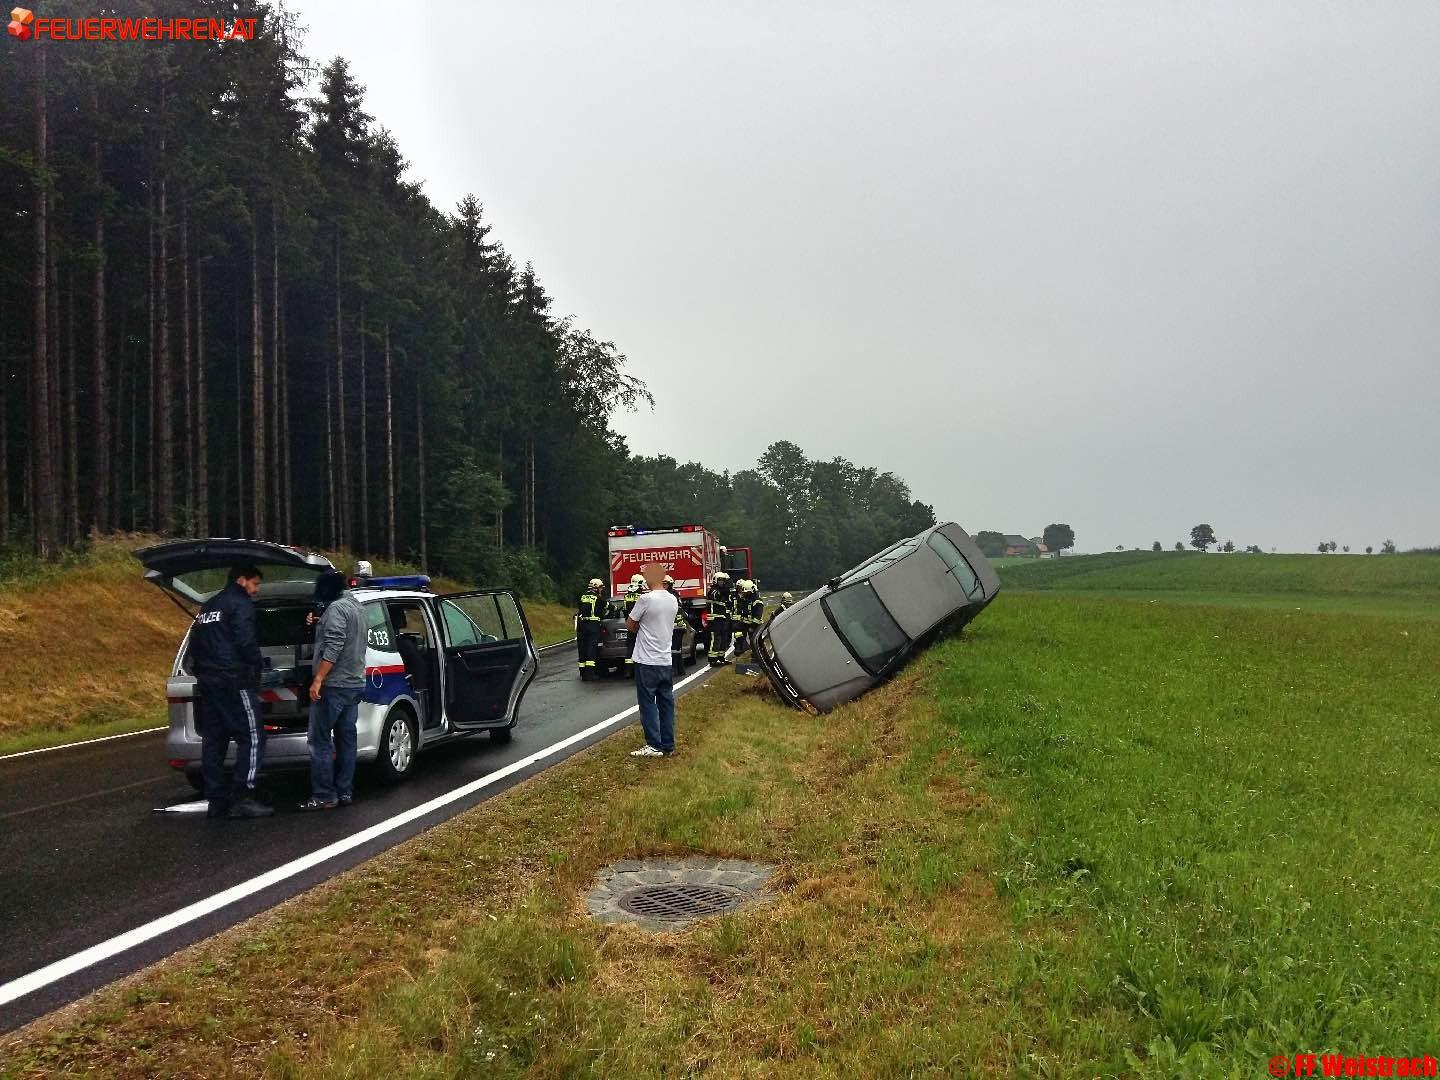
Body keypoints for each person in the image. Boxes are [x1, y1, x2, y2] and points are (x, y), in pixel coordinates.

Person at [186, 563, 273, 819]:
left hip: (209, 684)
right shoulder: (240, 604)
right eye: (255, 584)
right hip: (235, 682)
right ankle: (244, 794)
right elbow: (246, 640)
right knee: (253, 736)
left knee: (214, 741)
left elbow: (196, 644)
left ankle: (217, 800)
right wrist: (257, 665)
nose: (256, 591)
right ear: (242, 580)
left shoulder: (208, 607)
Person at [300, 570, 368, 811]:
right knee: (346, 739)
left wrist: (318, 679)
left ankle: (323, 795)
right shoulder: (358, 607)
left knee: (319, 741)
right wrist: (320, 622)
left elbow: (335, 644)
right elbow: (347, 636)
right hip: (355, 683)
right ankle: (345, 791)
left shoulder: (336, 609)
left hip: (334, 685)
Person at [626, 566, 681, 757]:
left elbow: (630, 624)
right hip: (665, 659)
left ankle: (653, 745)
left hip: (646, 659)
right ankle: (668, 744)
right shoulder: (672, 599)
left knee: (648, 702)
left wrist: (643, 628)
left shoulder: (645, 599)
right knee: (666, 702)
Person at [575, 577, 605, 680]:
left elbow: (580, 609)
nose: (601, 590)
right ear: (596, 587)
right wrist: (614, 608)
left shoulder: (583, 596)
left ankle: (583, 673)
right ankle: (590, 673)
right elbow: (605, 606)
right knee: (591, 649)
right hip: (593, 625)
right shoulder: (597, 598)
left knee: (583, 648)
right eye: (600, 588)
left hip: (582, 625)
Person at [705, 570, 733, 666]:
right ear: (715, 580)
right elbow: (716, 596)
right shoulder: (713, 590)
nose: (721, 582)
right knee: (715, 639)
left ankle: (721, 657)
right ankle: (712, 660)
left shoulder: (723, 590)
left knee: (723, 639)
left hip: (722, 618)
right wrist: (726, 589)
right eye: (720, 580)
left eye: (723, 581)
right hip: (714, 619)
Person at [732, 579, 765, 657]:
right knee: (736, 627)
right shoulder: (746, 599)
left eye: (745, 592)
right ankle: (743, 644)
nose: (743, 593)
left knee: (755, 640)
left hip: (756, 625)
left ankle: (758, 654)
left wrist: (752, 627)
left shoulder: (757, 601)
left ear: (750, 591)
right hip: (747, 623)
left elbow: (757, 616)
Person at [622, 572, 646, 672]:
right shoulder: (641, 596)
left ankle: (628, 670)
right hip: (640, 626)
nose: (643, 587)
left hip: (630, 625)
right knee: (641, 647)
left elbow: (625, 611)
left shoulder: (626, 596)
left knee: (630, 647)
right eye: (641, 585)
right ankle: (639, 669)